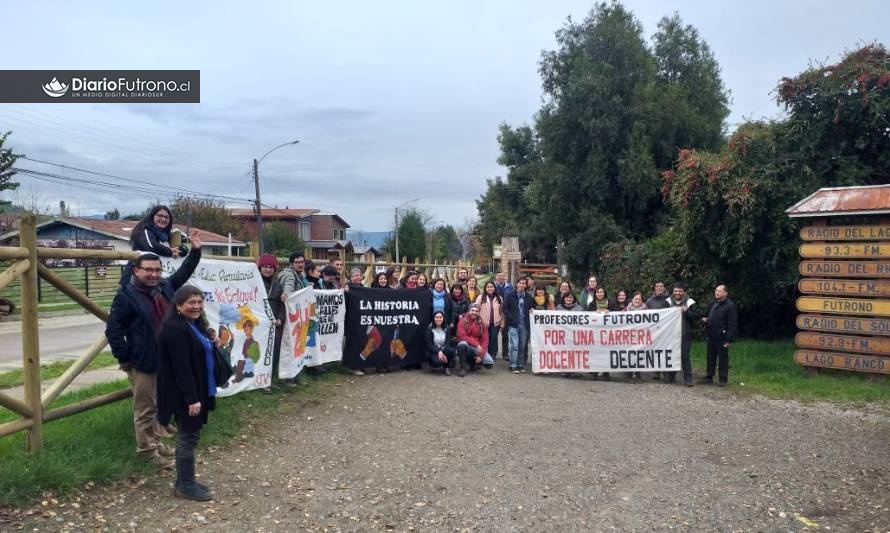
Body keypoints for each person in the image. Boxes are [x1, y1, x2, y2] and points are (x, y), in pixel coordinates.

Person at [105, 232, 202, 469]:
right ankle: (146, 452)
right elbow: (113, 331)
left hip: (166, 360)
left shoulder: (164, 287)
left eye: (157, 270)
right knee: (145, 408)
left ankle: (156, 443)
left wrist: (195, 251)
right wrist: (126, 358)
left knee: (161, 404)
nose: (153, 274)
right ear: (136, 270)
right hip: (143, 361)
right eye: (148, 270)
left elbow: (182, 273)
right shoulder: (125, 297)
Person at [156, 285, 217, 501]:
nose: (196, 306)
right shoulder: (176, 329)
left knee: (190, 435)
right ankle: (185, 485)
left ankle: (185, 480)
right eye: (191, 303)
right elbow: (181, 368)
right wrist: (192, 399)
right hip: (185, 393)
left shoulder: (193, 325)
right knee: (187, 437)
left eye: (199, 302)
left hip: (198, 389)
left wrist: (211, 340)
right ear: (179, 306)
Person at [699, 284, 738, 387]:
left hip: (722, 336)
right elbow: (706, 315)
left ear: (725, 293)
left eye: (720, 291)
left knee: (723, 358)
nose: (717, 293)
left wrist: (729, 340)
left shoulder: (730, 306)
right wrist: (704, 319)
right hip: (711, 335)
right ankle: (709, 377)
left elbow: (732, 323)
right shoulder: (713, 303)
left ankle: (723, 379)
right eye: (716, 290)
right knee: (710, 357)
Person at [665, 282, 702, 386]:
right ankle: (671, 376)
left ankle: (688, 379)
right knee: (671, 355)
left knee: (685, 356)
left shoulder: (690, 302)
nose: (677, 293)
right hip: (670, 334)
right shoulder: (667, 302)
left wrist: (686, 311)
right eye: (675, 291)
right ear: (673, 291)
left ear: (684, 292)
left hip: (685, 333)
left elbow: (698, 315)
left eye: (680, 291)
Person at [257, 254, 284, 389]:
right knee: (260, 352)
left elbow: (282, 304)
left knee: (274, 352)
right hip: (259, 325)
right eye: (265, 267)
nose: (268, 269)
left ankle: (270, 380)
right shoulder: (254, 283)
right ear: (260, 268)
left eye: (270, 267)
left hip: (275, 325)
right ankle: (259, 381)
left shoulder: (278, 286)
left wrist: (280, 318)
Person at [503, 278, 533, 374]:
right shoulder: (510, 295)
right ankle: (513, 365)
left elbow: (532, 307)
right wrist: (510, 317)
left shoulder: (528, 297)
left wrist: (532, 310)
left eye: (524, 284)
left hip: (524, 325)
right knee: (514, 345)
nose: (522, 285)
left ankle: (520, 364)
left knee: (522, 345)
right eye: (520, 283)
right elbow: (504, 307)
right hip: (513, 324)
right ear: (517, 284)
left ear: (526, 285)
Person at [455, 303, 491, 377]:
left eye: (476, 311)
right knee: (462, 344)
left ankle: (473, 363)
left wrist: (481, 356)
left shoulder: (482, 324)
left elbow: (485, 340)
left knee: (489, 363)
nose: (474, 312)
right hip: (467, 345)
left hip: (477, 348)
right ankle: (463, 368)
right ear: (468, 311)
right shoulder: (462, 321)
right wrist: (476, 344)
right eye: (472, 310)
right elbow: (462, 336)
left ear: (478, 312)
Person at [645, 281, 671, 380]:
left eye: (661, 286)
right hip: (654, 330)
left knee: (665, 350)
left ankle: (666, 372)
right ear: (654, 288)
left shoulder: (669, 300)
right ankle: (656, 371)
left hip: (666, 329)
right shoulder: (649, 301)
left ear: (664, 288)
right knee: (655, 350)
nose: (659, 288)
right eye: (657, 286)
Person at [476, 281, 503, 362]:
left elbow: (502, 312)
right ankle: (482, 354)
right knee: (483, 339)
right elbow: (476, 309)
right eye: (488, 287)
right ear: (485, 288)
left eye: (491, 287)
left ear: (494, 288)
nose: (490, 288)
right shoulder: (481, 297)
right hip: (483, 324)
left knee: (493, 339)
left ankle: (492, 355)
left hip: (495, 323)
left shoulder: (499, 298)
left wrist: (502, 323)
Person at [588, 287, 610, 380]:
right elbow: (588, 316)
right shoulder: (592, 304)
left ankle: (606, 372)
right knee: (595, 351)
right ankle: (595, 372)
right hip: (595, 331)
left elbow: (616, 313)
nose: (600, 293)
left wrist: (610, 312)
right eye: (598, 292)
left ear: (604, 293)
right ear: (595, 293)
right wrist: (594, 313)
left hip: (607, 331)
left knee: (606, 351)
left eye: (601, 292)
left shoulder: (610, 302)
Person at [624, 293, 648, 382]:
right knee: (629, 354)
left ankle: (638, 374)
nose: (637, 301)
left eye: (639, 299)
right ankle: (629, 374)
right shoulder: (627, 309)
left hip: (641, 335)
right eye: (635, 299)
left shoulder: (646, 310)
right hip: (629, 335)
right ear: (632, 300)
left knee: (639, 354)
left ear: (642, 301)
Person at [425, 311, 455, 375]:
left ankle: (446, 367)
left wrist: (441, 350)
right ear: (433, 318)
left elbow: (447, 342)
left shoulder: (447, 328)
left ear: (443, 318)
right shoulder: (429, 329)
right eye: (437, 317)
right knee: (436, 363)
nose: (439, 319)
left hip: (443, 349)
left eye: (440, 317)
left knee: (451, 351)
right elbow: (429, 345)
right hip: (433, 351)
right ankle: (431, 363)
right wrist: (438, 351)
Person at [494, 272, 514, 361]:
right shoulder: (492, 286)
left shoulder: (509, 287)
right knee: (494, 335)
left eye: (502, 276)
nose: (501, 277)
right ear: (496, 277)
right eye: (499, 276)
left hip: (505, 312)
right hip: (494, 312)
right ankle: (493, 352)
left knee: (505, 335)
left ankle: (505, 353)